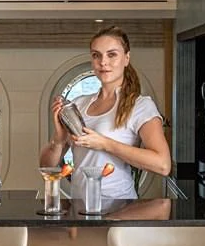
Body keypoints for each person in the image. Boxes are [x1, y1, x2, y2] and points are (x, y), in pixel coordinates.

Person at [39, 25, 172, 199]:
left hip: (120, 208)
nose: (103, 62)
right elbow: (46, 166)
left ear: (126, 58)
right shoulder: (79, 104)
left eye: (112, 54)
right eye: (96, 55)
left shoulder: (141, 106)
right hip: (78, 207)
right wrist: (59, 138)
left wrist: (105, 144)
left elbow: (162, 164)